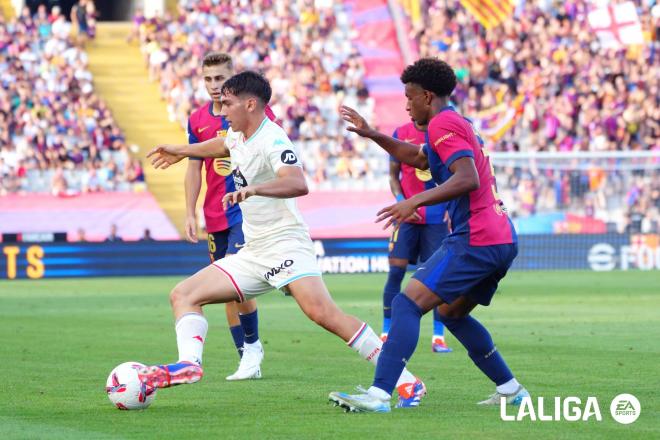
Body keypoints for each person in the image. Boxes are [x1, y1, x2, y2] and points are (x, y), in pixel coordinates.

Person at [141, 71, 426, 408]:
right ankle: (189, 364)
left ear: (250, 104)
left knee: (324, 314)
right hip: (254, 250)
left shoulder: (273, 139)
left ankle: (408, 382)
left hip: (285, 244)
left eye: (228, 103)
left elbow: (297, 182)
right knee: (184, 294)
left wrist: (255, 188)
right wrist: (182, 150)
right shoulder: (237, 134)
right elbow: (219, 145)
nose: (222, 110)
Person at [329, 58, 528, 413]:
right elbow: (419, 159)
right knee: (452, 315)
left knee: (407, 304)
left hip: (476, 237)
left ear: (427, 95)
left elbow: (468, 178)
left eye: (410, 97)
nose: (406, 105)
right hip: (500, 237)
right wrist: (372, 133)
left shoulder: (442, 124)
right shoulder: (457, 122)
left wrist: (414, 200)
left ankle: (379, 396)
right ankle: (511, 389)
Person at [185, 52, 276, 380]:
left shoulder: (251, 111)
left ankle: (251, 350)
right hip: (214, 214)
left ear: (231, 78)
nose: (213, 85)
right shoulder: (197, 119)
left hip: (245, 211)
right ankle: (246, 356)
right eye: (208, 79)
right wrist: (190, 211)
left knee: (239, 285)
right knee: (226, 287)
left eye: (220, 79)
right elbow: (194, 168)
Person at [384, 121, 452, 353]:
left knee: (437, 277)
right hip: (406, 215)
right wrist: (402, 203)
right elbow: (393, 176)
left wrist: (449, 210)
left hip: (435, 217)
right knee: (396, 271)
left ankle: (438, 337)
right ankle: (386, 332)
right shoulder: (400, 132)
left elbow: (453, 176)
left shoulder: (443, 132)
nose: (410, 106)